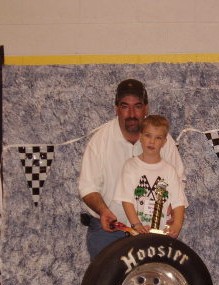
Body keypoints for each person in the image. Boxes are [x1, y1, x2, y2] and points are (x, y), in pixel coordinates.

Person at [78, 79, 186, 259]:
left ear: (146, 108)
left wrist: (173, 211)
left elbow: (178, 181)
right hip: (109, 228)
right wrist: (104, 211)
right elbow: (87, 187)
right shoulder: (99, 141)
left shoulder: (165, 141)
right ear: (116, 109)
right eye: (125, 106)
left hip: (153, 230)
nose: (131, 114)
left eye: (137, 106)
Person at [114, 115, 186, 238]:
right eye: (148, 135)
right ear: (140, 137)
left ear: (164, 142)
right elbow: (127, 200)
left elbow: (179, 202)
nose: (152, 141)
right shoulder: (130, 166)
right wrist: (136, 225)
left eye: (158, 138)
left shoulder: (169, 171)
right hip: (135, 234)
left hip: (161, 235)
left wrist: (177, 225)